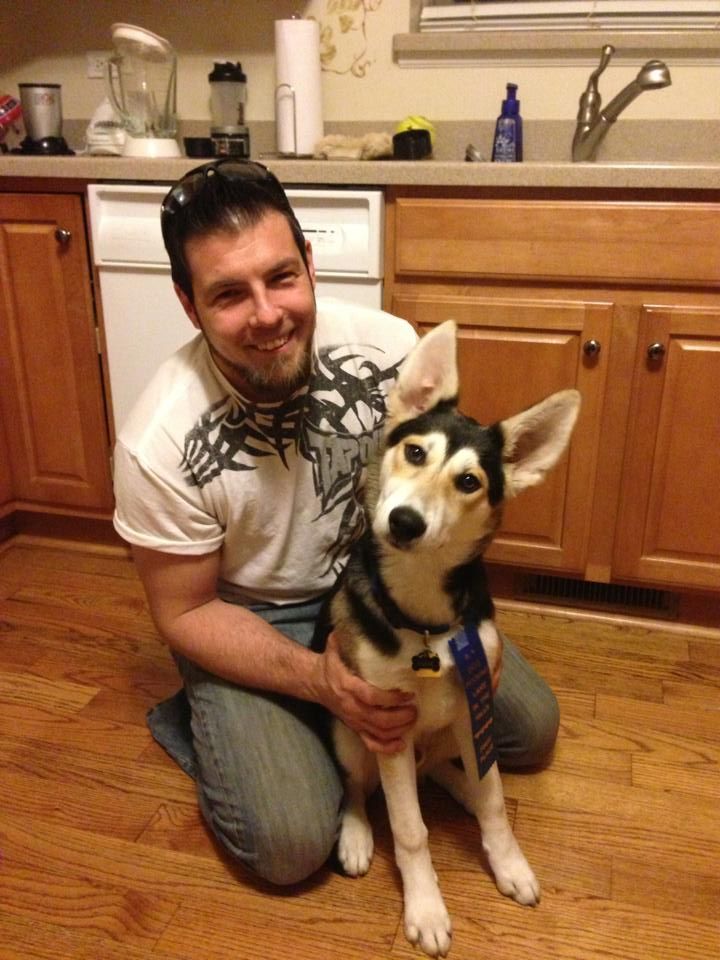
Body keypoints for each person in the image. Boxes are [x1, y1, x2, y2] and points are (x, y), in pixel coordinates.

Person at [113, 158, 559, 887]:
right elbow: (183, 611)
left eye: (281, 277)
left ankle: (311, 741)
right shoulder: (156, 442)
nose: (267, 314)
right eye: (229, 293)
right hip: (253, 619)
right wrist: (321, 680)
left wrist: (473, 619)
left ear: (310, 265)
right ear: (189, 306)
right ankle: (214, 720)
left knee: (530, 731)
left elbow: (452, 501)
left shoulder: (389, 350)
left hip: (383, 589)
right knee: (291, 843)